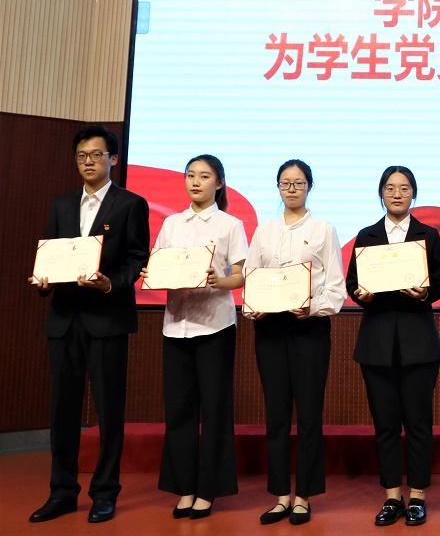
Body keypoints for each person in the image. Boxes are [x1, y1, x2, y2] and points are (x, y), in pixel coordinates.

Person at [28, 124, 150, 524]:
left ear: (113, 159)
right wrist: (44, 280)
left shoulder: (131, 204)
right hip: (64, 320)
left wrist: (110, 283)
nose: (88, 162)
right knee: (62, 410)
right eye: (82, 156)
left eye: (96, 155)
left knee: (109, 410)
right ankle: (62, 492)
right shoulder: (62, 205)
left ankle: (105, 492)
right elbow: (50, 253)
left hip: (107, 319)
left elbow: (137, 259)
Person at [142, 154, 248, 517]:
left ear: (220, 183)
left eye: (204, 176)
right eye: (190, 175)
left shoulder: (230, 224)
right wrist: (152, 273)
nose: (196, 182)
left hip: (215, 326)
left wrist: (221, 280)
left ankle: (208, 490)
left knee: (214, 410)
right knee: (179, 410)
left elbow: (241, 275)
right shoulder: (171, 223)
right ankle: (184, 487)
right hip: (176, 325)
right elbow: (158, 266)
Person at [243, 159, 346, 526]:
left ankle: (303, 496)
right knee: (275, 415)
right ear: (278, 187)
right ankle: (280, 496)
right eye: (285, 183)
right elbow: (251, 277)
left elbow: (336, 287)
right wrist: (252, 307)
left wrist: (313, 307)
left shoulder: (323, 230)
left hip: (309, 329)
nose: (291, 188)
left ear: (309, 187)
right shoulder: (264, 231)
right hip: (270, 330)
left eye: (298, 183)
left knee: (308, 415)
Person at [346, 166, 440, 527]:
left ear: (413, 194)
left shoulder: (428, 235)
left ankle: (417, 495)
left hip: (418, 342)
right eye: (390, 188)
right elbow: (353, 283)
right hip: (376, 343)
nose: (397, 194)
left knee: (418, 423)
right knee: (385, 424)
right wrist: (360, 294)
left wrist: (425, 293)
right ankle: (392, 496)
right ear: (381, 193)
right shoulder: (367, 235)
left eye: (404, 188)